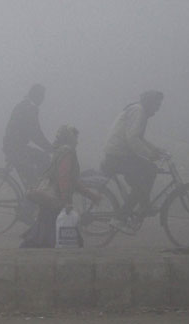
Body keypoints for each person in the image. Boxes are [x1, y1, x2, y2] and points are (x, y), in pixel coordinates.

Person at [20, 125, 100, 248]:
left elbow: (71, 180)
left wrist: (90, 195)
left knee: (46, 237)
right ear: (69, 138)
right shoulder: (67, 153)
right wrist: (65, 200)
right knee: (58, 238)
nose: (77, 141)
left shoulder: (60, 152)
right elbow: (64, 177)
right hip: (56, 202)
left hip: (50, 202)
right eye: (75, 138)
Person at [101, 90, 165, 227]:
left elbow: (139, 138)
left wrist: (156, 150)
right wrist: (149, 155)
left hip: (120, 154)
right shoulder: (138, 111)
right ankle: (121, 217)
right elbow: (132, 139)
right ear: (149, 101)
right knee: (147, 176)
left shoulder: (140, 111)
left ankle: (143, 205)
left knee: (144, 178)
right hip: (117, 155)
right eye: (157, 103)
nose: (158, 107)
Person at [3, 84, 53, 188]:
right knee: (35, 173)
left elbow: (35, 132)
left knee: (43, 159)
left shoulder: (26, 106)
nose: (43, 99)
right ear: (36, 95)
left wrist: (48, 147)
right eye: (41, 96)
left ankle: (37, 190)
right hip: (16, 148)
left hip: (15, 146)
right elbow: (35, 133)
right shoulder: (29, 109)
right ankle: (32, 197)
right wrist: (49, 147)